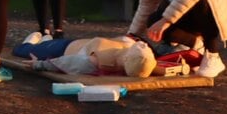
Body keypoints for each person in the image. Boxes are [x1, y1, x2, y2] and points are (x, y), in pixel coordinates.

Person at [10, 35, 157, 78]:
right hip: (77, 43)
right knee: (48, 42)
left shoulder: (101, 61)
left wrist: (39, 64)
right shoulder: (135, 55)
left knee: (22, 49)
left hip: (63, 49)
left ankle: (36, 41)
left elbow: (69, 62)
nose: (142, 45)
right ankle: (46, 40)